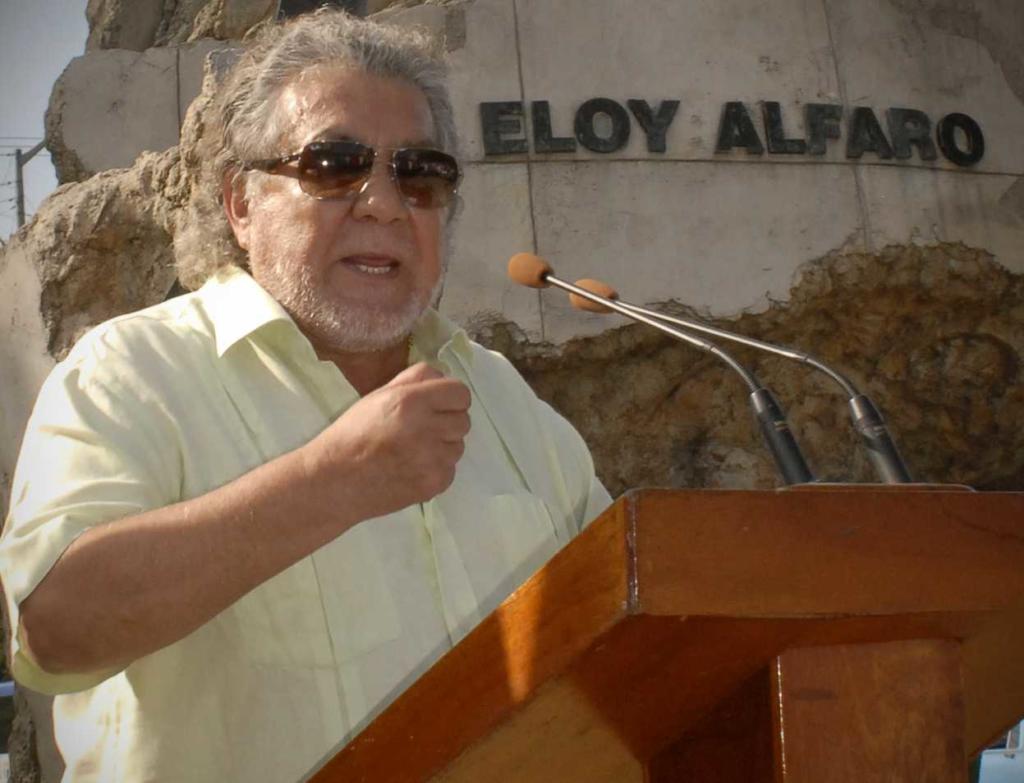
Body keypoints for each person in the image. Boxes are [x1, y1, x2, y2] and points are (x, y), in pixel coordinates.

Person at [0, 10, 610, 783]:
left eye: (418, 174)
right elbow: (53, 629)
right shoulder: (129, 374)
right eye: (334, 165)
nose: (384, 203)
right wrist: (334, 480)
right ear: (241, 204)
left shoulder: (503, 400)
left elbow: (622, 625)